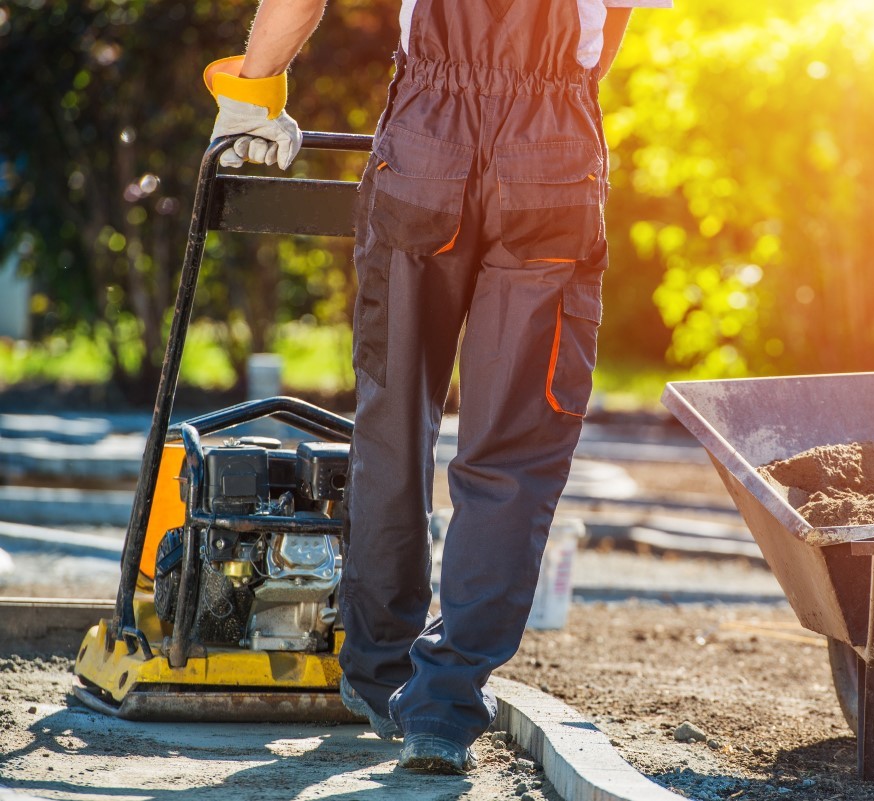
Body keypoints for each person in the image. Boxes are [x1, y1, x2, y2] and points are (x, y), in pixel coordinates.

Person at [203, 0, 670, 775]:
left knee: (395, 415)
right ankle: (444, 703)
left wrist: (252, 92)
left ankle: (381, 666)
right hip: (551, 150)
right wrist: (549, 101)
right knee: (515, 442)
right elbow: (611, 25)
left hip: (428, 138)